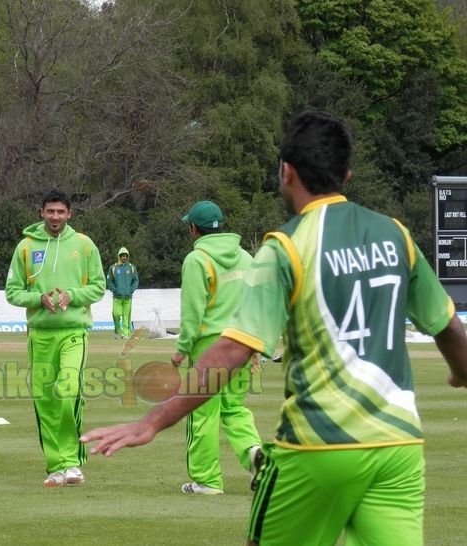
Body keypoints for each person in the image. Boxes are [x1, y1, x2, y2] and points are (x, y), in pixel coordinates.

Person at [82, 111, 467, 545]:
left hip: (317, 446)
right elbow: (447, 324)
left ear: (286, 173)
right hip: (398, 447)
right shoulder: (395, 235)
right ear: (347, 173)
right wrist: (461, 372)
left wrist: (150, 423)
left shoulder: (284, 246)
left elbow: (231, 352)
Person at [6, 189, 106, 487]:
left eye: (61, 212)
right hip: (40, 335)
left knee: (68, 392)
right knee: (46, 401)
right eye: (50, 211)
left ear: (69, 214)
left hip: (74, 332)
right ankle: (57, 467)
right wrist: (38, 300)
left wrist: (71, 295)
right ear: (41, 213)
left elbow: (99, 287)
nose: (55, 217)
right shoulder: (25, 247)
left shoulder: (84, 245)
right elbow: (12, 292)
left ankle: (73, 462)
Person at [172, 200, 262, 495]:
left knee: (202, 413)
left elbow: (193, 311)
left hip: (210, 347)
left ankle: (206, 480)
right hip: (243, 342)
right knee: (235, 408)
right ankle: (254, 453)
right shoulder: (247, 258)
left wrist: (182, 348)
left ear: (193, 229)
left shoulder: (196, 260)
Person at [106, 247, 139, 339]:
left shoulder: (132, 267)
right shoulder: (113, 268)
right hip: (117, 297)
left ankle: (125, 334)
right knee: (116, 314)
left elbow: (136, 280)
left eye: (126, 256)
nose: (124, 257)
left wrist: (131, 289)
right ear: (119, 256)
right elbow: (109, 281)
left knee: (126, 317)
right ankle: (117, 330)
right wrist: (115, 290)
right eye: (122, 256)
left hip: (128, 297)